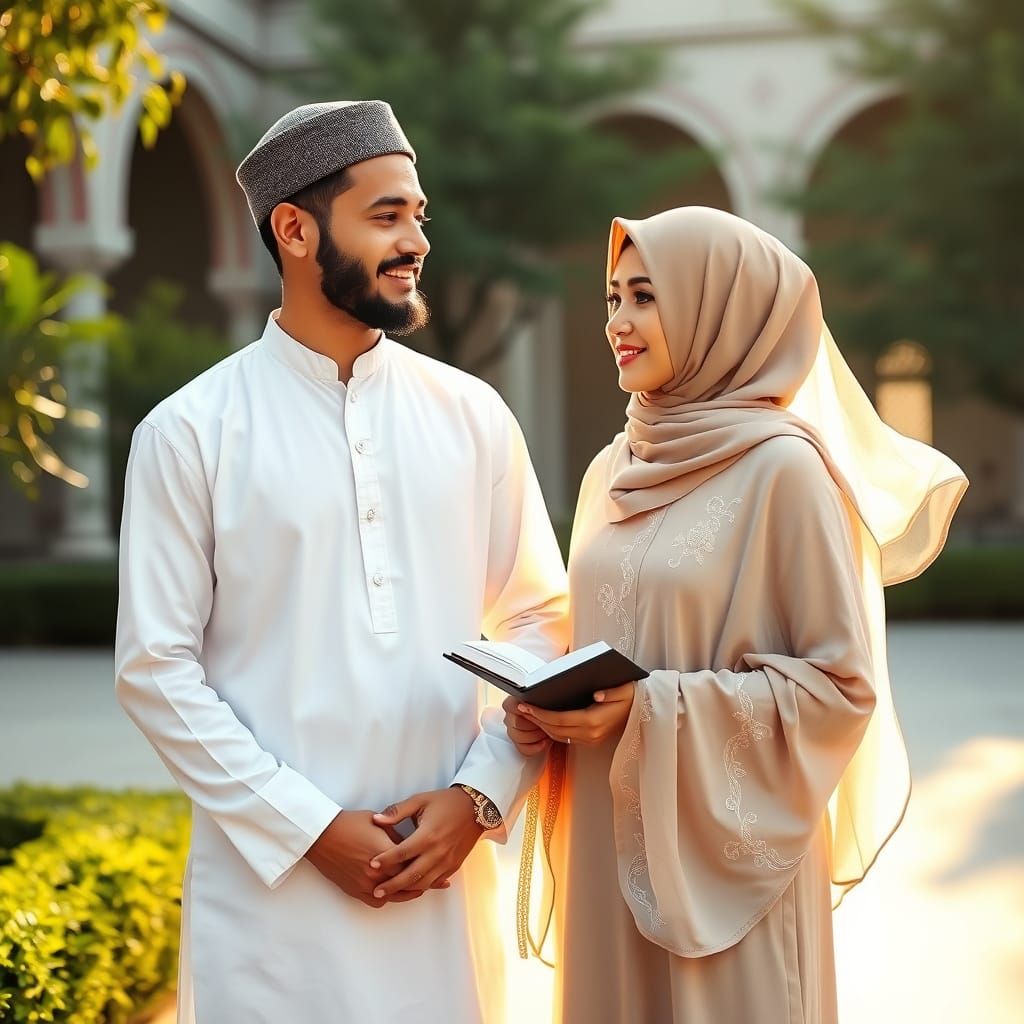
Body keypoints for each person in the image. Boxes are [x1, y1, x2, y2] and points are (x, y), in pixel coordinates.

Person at [115, 100, 568, 1024]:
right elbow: (156, 671)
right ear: (294, 229)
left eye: (419, 216)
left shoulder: (472, 414)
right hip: (269, 900)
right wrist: (310, 829)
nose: (417, 241)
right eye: (387, 215)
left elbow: (538, 621)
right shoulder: (191, 433)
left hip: (443, 884)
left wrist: (478, 798)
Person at [504, 206, 967, 1023]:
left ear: (719, 309)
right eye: (612, 298)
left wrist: (648, 709)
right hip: (607, 846)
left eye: (645, 297)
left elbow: (839, 687)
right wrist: (551, 703)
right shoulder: (611, 471)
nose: (619, 321)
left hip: (727, 868)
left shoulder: (786, 472)